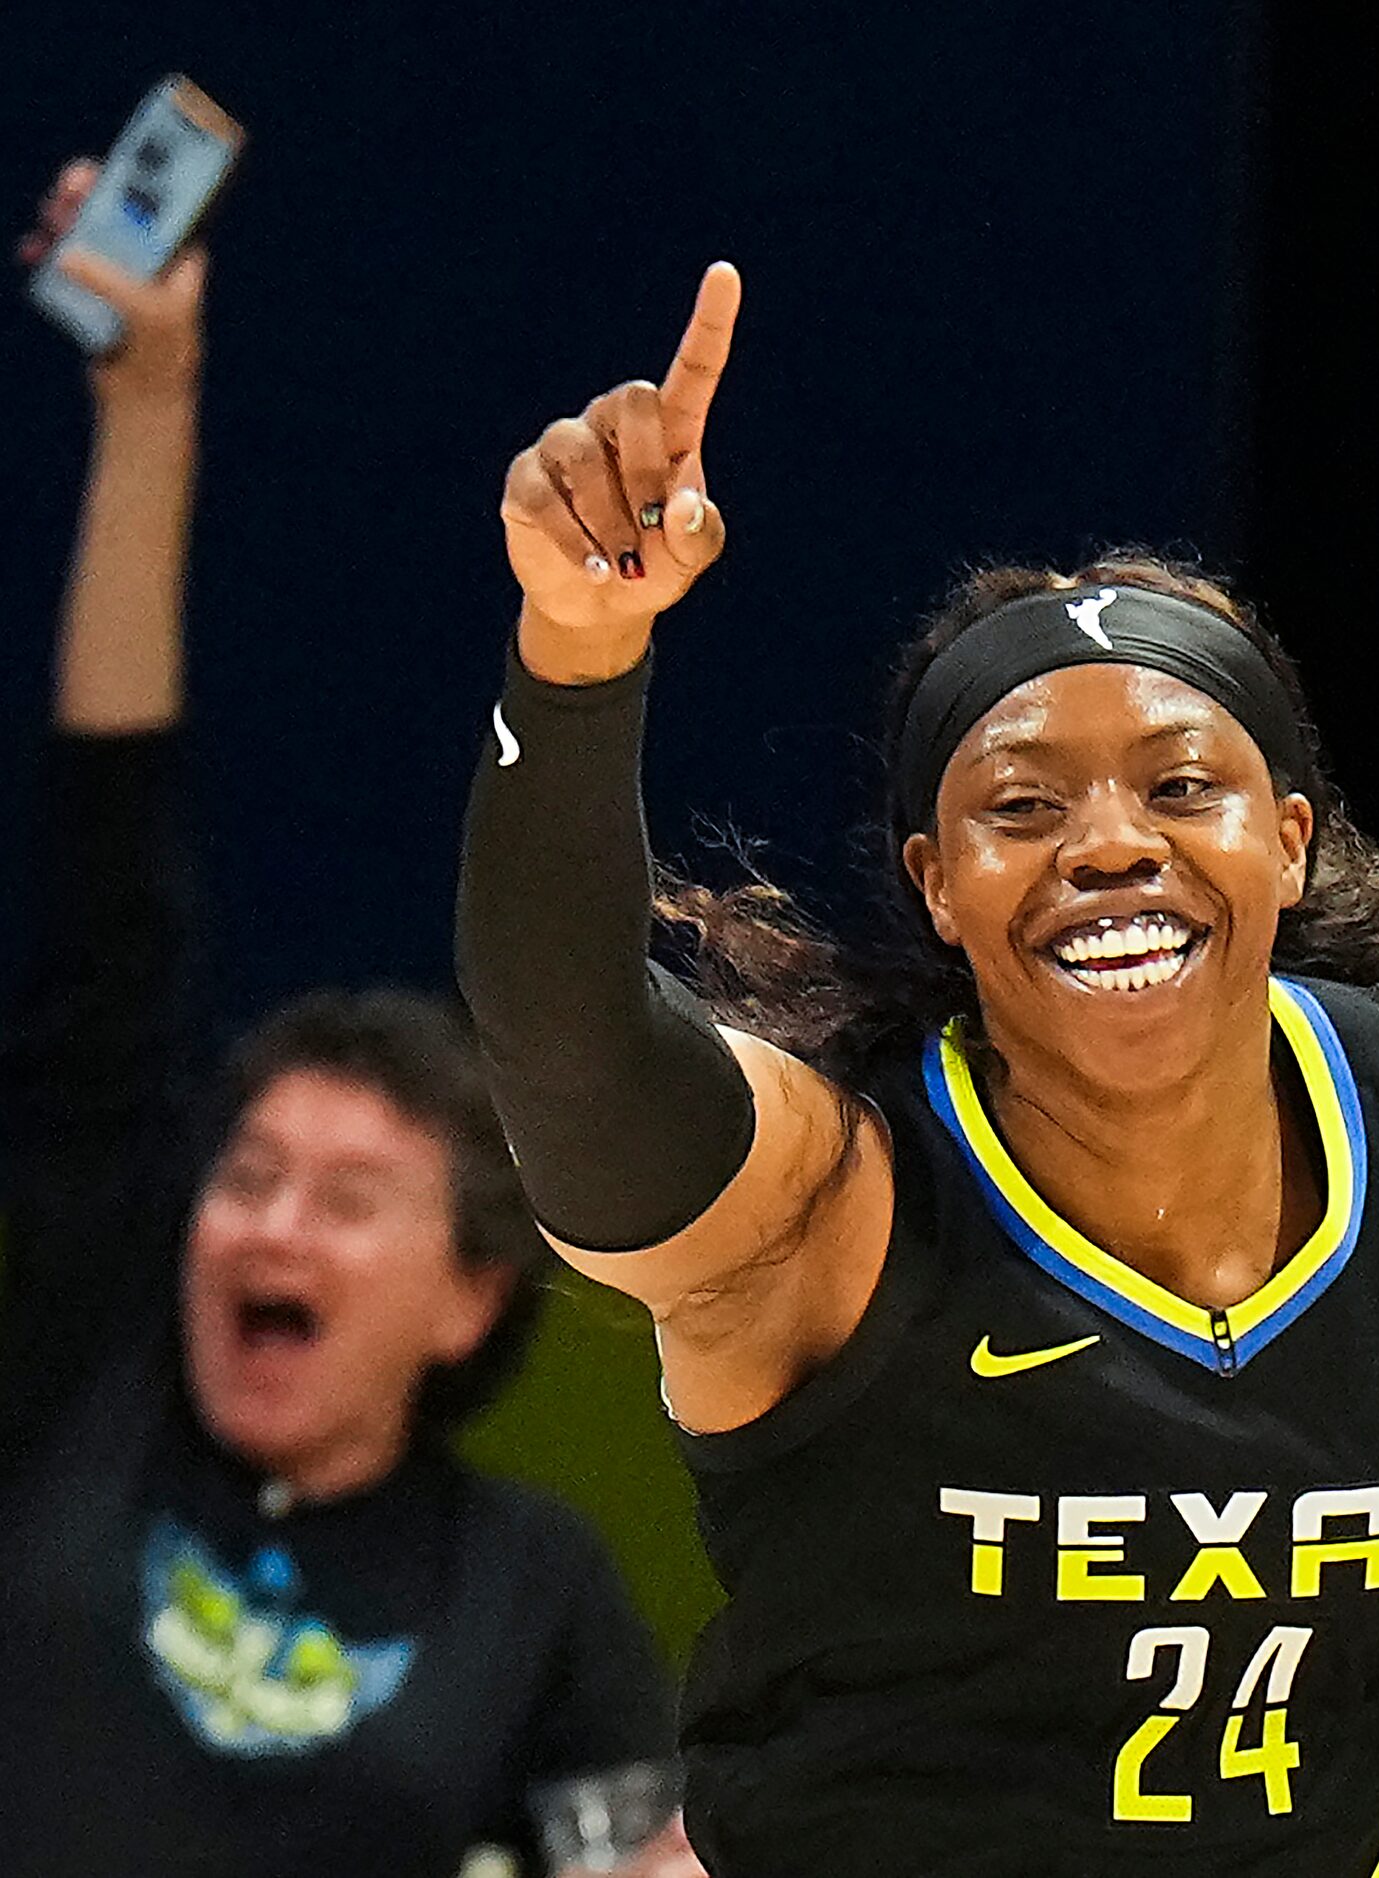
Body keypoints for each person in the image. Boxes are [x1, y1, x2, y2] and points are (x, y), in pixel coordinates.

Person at [456, 260, 1379, 1876]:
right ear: (936, 883)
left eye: (1181, 784)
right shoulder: (837, 1204)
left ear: (1285, 843)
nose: (1109, 846)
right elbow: (570, 1066)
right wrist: (575, 655)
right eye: (1022, 805)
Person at [0, 163, 698, 1878]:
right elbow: (115, 866)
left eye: (346, 1196)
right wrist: (150, 402)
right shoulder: (79, 1389)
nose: (270, 1223)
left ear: (469, 1296)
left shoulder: (536, 1593)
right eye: (248, 1173)